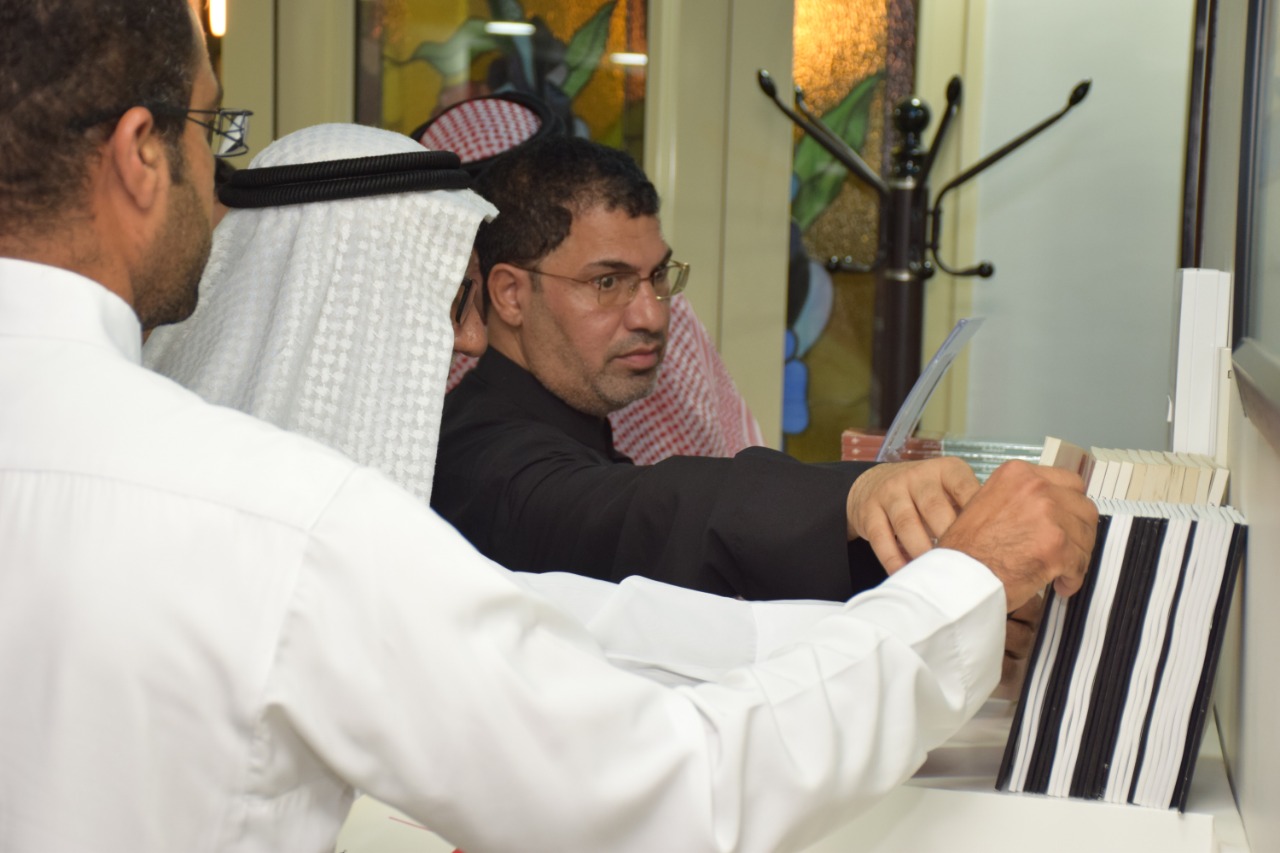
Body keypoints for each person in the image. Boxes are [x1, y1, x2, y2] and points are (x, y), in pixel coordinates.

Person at [0, 3, 1098, 852]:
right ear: (139, 152)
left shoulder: (261, 523)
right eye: (209, 129)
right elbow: (667, 785)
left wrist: (919, 601)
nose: (465, 339)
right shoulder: (284, 525)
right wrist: (956, 589)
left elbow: (602, 630)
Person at [432, 135, 983, 601]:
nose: (652, 315)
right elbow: (643, 512)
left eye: (658, 276)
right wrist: (854, 496)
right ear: (510, 294)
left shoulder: (570, 428)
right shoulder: (478, 457)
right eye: (608, 282)